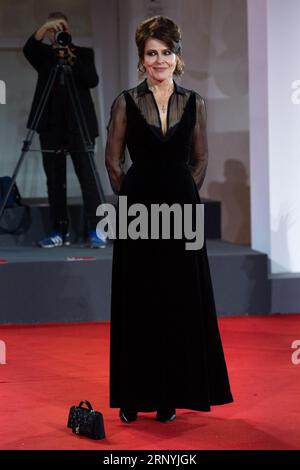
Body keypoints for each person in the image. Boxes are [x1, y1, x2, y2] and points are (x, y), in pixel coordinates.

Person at [105, 16, 233, 423]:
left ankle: (168, 398)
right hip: (138, 213)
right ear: (141, 59)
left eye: (166, 52)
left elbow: (201, 158)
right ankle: (132, 396)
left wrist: (184, 196)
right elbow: (112, 160)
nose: (159, 60)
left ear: (177, 57)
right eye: (151, 53)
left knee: (180, 301)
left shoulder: (194, 102)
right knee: (138, 300)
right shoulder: (125, 101)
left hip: (183, 212)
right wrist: (134, 199)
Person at [23, 11, 106, 248]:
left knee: (88, 177)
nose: (59, 33)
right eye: (54, 30)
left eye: (62, 29)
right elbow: (29, 49)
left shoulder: (83, 54)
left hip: (79, 125)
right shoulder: (44, 56)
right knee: (55, 180)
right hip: (50, 126)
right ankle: (59, 231)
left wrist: (70, 56)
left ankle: (97, 229)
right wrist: (44, 28)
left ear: (70, 31)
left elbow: (91, 80)